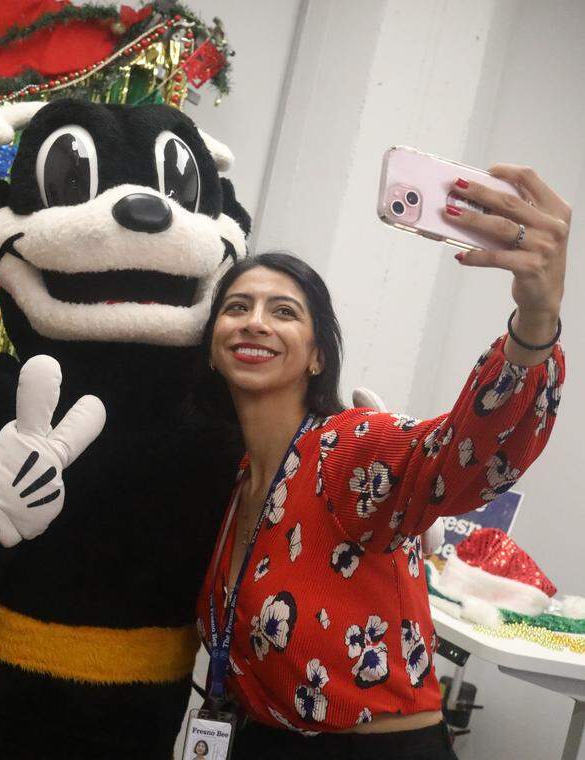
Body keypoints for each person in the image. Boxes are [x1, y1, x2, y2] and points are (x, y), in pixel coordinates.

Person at [195, 166, 569, 759]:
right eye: (237, 306)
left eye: (284, 311)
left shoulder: (346, 449)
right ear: (213, 345)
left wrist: (535, 324)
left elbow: (460, 456)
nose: (256, 321)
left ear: (319, 356)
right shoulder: (239, 480)